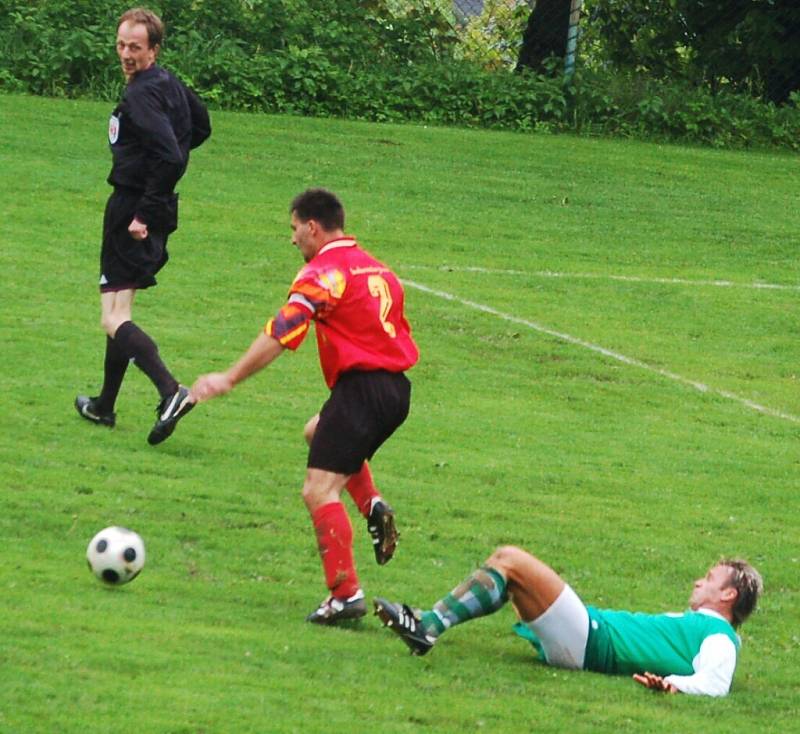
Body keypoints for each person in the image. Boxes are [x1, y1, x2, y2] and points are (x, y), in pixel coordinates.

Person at [192, 188, 419, 624]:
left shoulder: (325, 272)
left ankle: (345, 595)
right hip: (396, 391)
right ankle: (372, 505)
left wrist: (229, 377)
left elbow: (284, 329)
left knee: (318, 490)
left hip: (363, 390)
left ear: (312, 226)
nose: (293, 239)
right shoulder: (375, 266)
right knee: (317, 430)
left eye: (294, 229)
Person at [75, 7, 211, 445]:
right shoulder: (167, 83)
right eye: (121, 45)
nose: (126, 54)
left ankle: (172, 391)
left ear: (153, 49)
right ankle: (104, 406)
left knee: (112, 318)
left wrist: (142, 212)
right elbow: (200, 127)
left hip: (136, 209)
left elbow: (171, 154)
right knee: (121, 311)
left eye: (135, 47)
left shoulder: (141, 95)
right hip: (150, 204)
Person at [375, 545, 763, 697]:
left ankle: (426, 627)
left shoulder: (720, 637)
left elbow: (716, 683)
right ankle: (427, 623)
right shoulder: (699, 626)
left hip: (593, 642)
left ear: (729, 595)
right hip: (587, 639)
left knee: (511, 559)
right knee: (508, 575)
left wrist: (674, 684)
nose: (700, 580)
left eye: (710, 579)